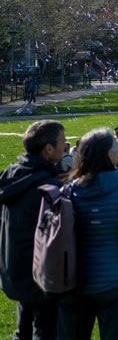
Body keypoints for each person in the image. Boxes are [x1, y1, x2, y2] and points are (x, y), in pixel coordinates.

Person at [58, 128, 118, 340]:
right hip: (115, 279)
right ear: (109, 155)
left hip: (75, 277)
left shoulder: (69, 190)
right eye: (115, 148)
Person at [0, 120, 66, 340]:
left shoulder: (11, 176)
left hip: (14, 266)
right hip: (42, 271)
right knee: (46, 332)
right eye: (62, 142)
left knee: (23, 331)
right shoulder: (48, 187)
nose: (65, 145)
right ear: (48, 149)